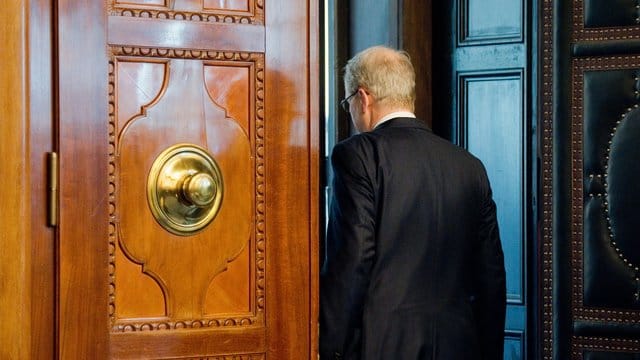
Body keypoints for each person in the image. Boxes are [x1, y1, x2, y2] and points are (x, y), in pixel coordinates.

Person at [320, 45, 506, 360]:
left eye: (347, 103)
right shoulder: (469, 165)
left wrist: (329, 348)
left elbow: (353, 260)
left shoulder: (358, 155)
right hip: (460, 346)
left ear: (363, 98)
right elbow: (490, 275)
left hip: (383, 347)